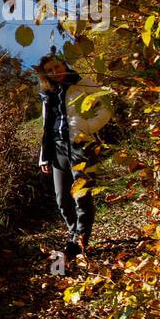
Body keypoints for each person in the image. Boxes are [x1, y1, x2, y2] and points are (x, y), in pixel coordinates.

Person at [36, 51, 111, 259]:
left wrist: (88, 126)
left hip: (81, 146)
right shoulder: (48, 95)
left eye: (57, 67)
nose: (55, 72)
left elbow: (106, 107)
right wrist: (44, 156)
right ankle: (73, 232)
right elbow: (46, 126)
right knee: (62, 199)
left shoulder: (84, 84)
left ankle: (80, 240)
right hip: (57, 149)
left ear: (65, 65)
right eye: (50, 71)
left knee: (82, 195)